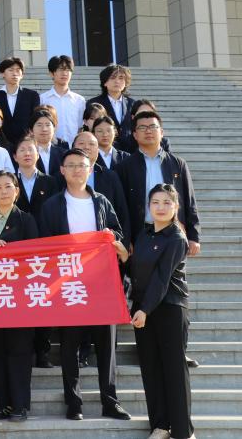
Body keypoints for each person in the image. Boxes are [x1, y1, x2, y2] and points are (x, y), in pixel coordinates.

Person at [38, 148, 131, 423]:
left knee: (106, 346)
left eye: (82, 165)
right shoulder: (52, 205)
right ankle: (73, 402)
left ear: (90, 170)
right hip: (69, 283)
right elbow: (44, 244)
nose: (77, 170)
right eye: (71, 165)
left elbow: (118, 232)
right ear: (62, 171)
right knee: (70, 345)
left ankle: (110, 401)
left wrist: (111, 236)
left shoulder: (101, 201)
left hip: (102, 282)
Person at [129, 184, 194, 439]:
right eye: (155, 202)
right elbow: (137, 271)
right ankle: (160, 425)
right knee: (151, 368)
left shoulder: (176, 238)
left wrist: (144, 309)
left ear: (176, 207)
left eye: (167, 202)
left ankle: (183, 431)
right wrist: (124, 255)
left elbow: (161, 279)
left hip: (169, 308)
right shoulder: (144, 234)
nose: (161, 207)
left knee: (174, 370)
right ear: (149, 206)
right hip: (144, 308)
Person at [0, 170, 39, 422]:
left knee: (19, 351)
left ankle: (20, 405)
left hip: (20, 297)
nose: (3, 191)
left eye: (8, 186)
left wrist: (8, 252)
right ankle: (3, 404)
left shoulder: (27, 220)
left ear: (17, 191)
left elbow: (34, 257)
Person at [118, 110, 200, 254]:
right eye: (142, 127)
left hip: (173, 233)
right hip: (140, 234)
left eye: (153, 127)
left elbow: (189, 202)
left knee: (174, 269)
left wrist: (194, 236)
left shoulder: (178, 164)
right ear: (135, 135)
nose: (148, 131)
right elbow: (121, 207)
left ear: (161, 132)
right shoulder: (125, 167)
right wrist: (126, 238)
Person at [11, 132, 58, 368]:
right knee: (21, 301)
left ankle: (43, 352)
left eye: (31, 150)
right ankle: (25, 351)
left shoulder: (51, 182)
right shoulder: (9, 182)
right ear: (14, 156)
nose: (27, 154)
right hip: (16, 252)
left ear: (38, 154)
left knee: (43, 300)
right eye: (22, 150)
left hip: (45, 249)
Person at [73, 129, 132, 242]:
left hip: (103, 242)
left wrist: (124, 242)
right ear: (73, 148)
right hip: (71, 241)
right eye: (81, 143)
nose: (86, 147)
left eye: (91, 144)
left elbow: (121, 211)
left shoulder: (110, 176)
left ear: (97, 150)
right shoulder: (61, 176)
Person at [0, 56, 41, 144]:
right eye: (11, 70)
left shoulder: (32, 95)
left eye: (18, 70)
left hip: (26, 143)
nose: (15, 73)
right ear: (2, 73)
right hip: (2, 143)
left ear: (22, 75)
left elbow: (36, 119)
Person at [39, 55, 85, 146]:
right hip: (51, 147)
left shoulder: (79, 100)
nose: (64, 73)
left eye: (68, 70)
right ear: (52, 73)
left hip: (73, 148)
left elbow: (80, 127)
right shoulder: (43, 99)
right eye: (60, 69)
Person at [89, 64, 135, 142]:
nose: (117, 81)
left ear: (126, 83)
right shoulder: (94, 103)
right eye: (112, 78)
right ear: (105, 82)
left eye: (121, 78)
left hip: (129, 147)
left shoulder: (133, 104)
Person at [30, 107, 67, 175]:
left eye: (48, 125)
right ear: (31, 130)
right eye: (39, 125)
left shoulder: (64, 154)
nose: (44, 129)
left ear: (54, 128)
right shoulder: (27, 154)